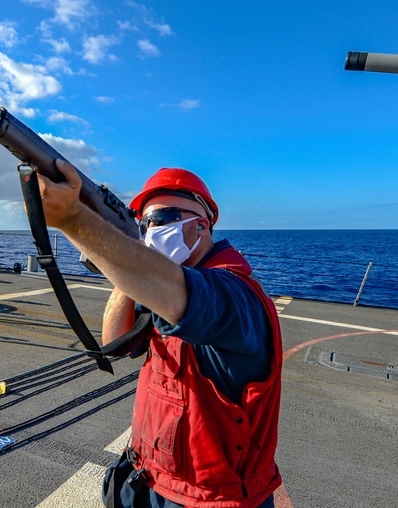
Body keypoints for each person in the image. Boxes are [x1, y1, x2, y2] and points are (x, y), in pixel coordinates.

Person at [37, 161, 282, 508]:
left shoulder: (233, 293)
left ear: (201, 225)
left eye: (164, 217)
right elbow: (114, 342)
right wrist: (129, 267)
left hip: (210, 498)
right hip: (151, 477)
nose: (152, 228)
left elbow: (185, 298)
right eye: (145, 222)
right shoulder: (162, 289)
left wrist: (73, 218)